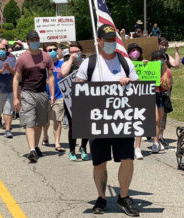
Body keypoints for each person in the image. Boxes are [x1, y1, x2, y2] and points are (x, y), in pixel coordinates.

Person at [76, 24, 140, 216]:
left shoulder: (125, 63)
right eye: (108, 39)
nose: (111, 42)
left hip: (121, 121)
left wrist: (129, 82)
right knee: (99, 162)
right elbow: (78, 90)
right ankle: (101, 198)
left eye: (114, 39)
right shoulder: (89, 64)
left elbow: (139, 88)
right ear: (99, 41)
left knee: (128, 159)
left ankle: (124, 196)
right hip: (98, 123)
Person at [13, 30, 55, 163]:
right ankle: (32, 150)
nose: (35, 42)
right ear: (28, 42)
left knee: (39, 123)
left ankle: (36, 146)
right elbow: (16, 78)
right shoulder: (22, 58)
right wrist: (16, 97)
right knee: (29, 122)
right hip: (27, 93)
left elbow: (51, 76)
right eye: (33, 40)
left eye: (37, 39)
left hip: (42, 93)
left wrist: (52, 94)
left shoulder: (46, 57)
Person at [61, 42, 90, 161]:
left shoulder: (87, 64)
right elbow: (63, 73)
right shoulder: (66, 64)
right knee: (73, 125)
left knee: (87, 124)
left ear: (81, 51)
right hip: (70, 99)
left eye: (76, 51)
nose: (74, 54)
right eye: (71, 52)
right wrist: (70, 60)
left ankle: (83, 147)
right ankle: (72, 150)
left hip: (86, 98)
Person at [42, 43, 65, 152]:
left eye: (54, 49)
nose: (52, 51)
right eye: (49, 50)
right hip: (45, 96)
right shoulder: (42, 65)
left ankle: (57, 142)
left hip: (59, 96)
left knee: (57, 120)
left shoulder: (62, 64)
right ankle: (45, 135)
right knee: (46, 121)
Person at [158, 37, 180, 147]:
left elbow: (176, 65)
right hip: (154, 87)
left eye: (166, 45)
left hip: (166, 87)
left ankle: (160, 135)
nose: (164, 47)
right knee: (154, 110)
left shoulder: (166, 57)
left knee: (164, 110)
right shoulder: (153, 55)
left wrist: (176, 51)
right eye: (162, 44)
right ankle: (154, 134)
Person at [150, 50, 173, 153]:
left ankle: (157, 140)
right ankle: (155, 142)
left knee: (159, 121)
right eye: (157, 58)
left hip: (161, 95)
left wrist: (163, 83)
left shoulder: (167, 71)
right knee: (155, 119)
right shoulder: (148, 68)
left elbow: (169, 87)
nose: (159, 60)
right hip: (151, 94)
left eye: (161, 58)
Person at [127, 43, 144, 160]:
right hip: (127, 96)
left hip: (140, 95)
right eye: (133, 50)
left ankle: (137, 148)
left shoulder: (145, 64)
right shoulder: (124, 64)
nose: (135, 52)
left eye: (137, 50)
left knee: (138, 121)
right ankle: (127, 145)